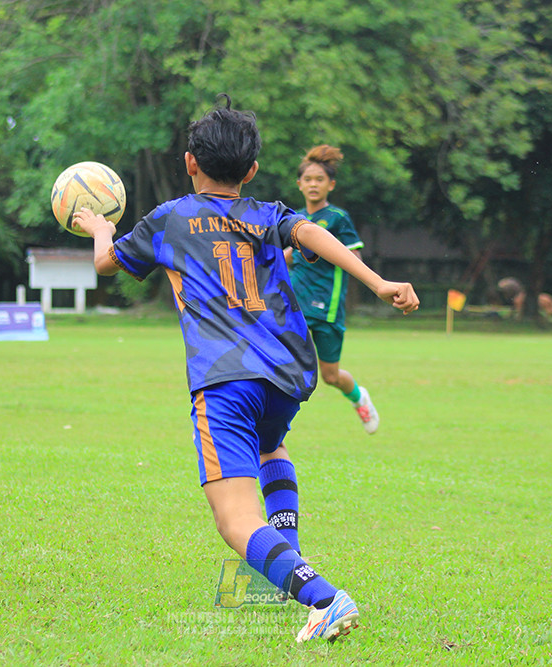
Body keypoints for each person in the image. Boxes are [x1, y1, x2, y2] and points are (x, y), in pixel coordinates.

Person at [72, 96, 419, 643]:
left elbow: (105, 263)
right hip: (286, 374)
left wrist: (98, 226)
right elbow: (311, 234)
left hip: (224, 379)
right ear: (251, 171)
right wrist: (379, 283)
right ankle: (287, 565)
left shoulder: (169, 219)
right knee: (270, 448)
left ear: (190, 162)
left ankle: (323, 597)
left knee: (234, 519)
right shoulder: (267, 213)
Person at [286, 145, 379, 434]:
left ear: (331, 184)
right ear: (299, 184)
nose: (313, 184)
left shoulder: (338, 218)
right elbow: (288, 255)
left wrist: (323, 249)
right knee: (281, 358)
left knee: (330, 376)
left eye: (320, 179)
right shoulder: (294, 218)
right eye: (308, 179)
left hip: (327, 306)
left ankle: (359, 398)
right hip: (294, 301)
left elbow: (355, 258)